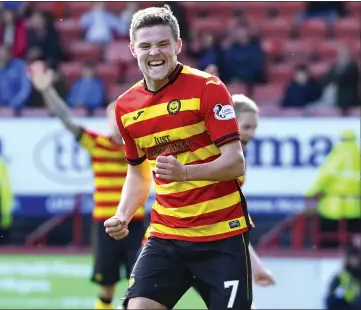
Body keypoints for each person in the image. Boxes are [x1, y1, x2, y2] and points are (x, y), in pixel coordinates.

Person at [104, 5, 253, 310]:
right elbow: (137, 171)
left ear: (178, 46)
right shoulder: (125, 107)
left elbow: (235, 162)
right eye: (145, 45)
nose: (154, 52)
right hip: (166, 235)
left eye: (162, 43)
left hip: (222, 235)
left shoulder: (208, 89)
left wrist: (184, 173)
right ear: (133, 49)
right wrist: (123, 214)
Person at [28, 61, 146, 310]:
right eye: (113, 117)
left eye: (121, 118)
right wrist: (47, 90)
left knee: (141, 286)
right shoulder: (96, 143)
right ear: (107, 120)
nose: (117, 122)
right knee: (107, 288)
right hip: (105, 223)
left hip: (134, 224)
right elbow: (65, 118)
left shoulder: (142, 146)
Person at [139, 94, 276, 306]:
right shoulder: (205, 153)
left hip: (210, 244)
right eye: (247, 126)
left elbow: (226, 217)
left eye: (254, 127)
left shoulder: (235, 166)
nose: (251, 134)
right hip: (171, 242)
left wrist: (256, 266)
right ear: (230, 123)